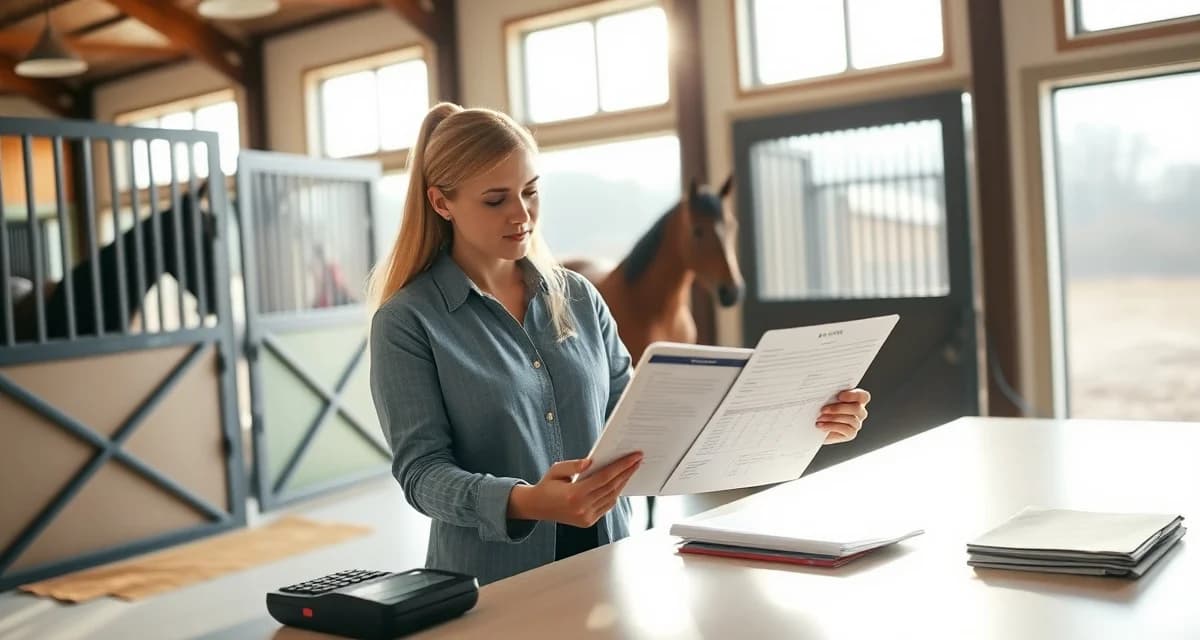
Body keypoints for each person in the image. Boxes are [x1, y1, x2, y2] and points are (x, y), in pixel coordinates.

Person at [368, 102, 872, 586]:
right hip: (491, 586)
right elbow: (421, 473)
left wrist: (801, 422)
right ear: (441, 203)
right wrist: (524, 502)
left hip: (607, 566)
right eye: (496, 199)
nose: (521, 214)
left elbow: (647, 421)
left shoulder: (580, 298)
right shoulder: (408, 322)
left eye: (531, 191)